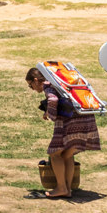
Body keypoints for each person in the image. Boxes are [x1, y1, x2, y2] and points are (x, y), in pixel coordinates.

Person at [27, 66, 100, 197]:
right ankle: (67, 189)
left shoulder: (49, 86)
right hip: (86, 117)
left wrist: (51, 115)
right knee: (67, 154)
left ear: (36, 80)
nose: (32, 88)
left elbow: (53, 99)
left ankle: (61, 188)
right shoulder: (61, 84)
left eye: (31, 85)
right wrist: (49, 110)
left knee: (55, 153)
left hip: (71, 121)